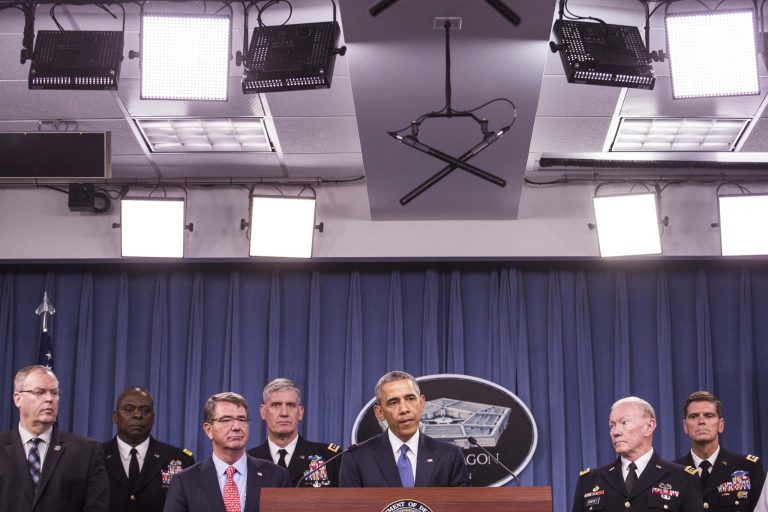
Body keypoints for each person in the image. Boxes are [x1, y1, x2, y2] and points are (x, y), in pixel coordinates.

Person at [0, 365, 109, 512]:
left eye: (54, 392)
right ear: (18, 399)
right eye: (39, 392)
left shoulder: (87, 452)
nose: (49, 399)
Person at [163, 391, 290, 512]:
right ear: (208, 430)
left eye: (241, 419)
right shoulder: (185, 481)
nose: (236, 427)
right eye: (226, 420)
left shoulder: (276, 477)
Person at [339, 370, 469, 487]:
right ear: (380, 412)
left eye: (410, 399)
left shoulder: (450, 456)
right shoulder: (356, 459)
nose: (404, 409)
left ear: (421, 403)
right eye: (393, 403)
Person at [572, 396, 703, 512]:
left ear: (649, 426)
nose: (615, 432)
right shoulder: (589, 481)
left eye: (624, 422)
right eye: (612, 425)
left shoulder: (683, 478)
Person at [103, 386, 195, 512]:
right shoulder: (95, 457)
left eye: (145, 410)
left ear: (153, 418)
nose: (137, 415)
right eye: (129, 409)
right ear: (115, 417)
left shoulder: (180, 460)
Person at [675, 391, 765, 511]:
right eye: (694, 416)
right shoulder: (673, 472)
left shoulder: (749, 468)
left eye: (708, 415)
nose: (701, 421)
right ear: (685, 426)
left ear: (720, 425)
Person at [248, 378, 341, 487]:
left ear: (300, 412)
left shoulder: (329, 458)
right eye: (276, 405)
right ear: (263, 412)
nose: (284, 413)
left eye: (290, 405)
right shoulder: (248, 461)